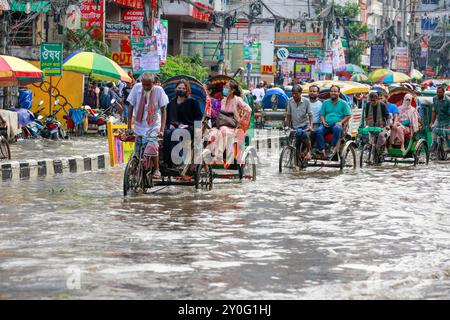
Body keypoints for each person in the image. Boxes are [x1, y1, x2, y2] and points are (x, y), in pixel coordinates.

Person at [127, 72, 169, 179]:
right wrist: (128, 127)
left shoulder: (159, 90)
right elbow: (131, 106)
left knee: (152, 145)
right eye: (144, 84)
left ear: (153, 83)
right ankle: (135, 167)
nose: (146, 87)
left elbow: (164, 111)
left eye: (148, 85)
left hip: (153, 125)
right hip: (139, 124)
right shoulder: (136, 88)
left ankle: (156, 169)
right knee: (138, 150)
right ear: (141, 83)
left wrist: (161, 130)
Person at [208, 80, 252, 163]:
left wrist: (241, 121)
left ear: (232, 90)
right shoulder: (223, 100)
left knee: (223, 130)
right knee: (212, 133)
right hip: (221, 125)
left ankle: (219, 156)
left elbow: (249, 110)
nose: (224, 89)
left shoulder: (237, 100)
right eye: (224, 87)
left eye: (226, 87)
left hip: (233, 126)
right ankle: (210, 156)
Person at [164, 79, 203, 168]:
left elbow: (198, 118)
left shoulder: (192, 102)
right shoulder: (171, 103)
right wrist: (170, 124)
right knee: (167, 133)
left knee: (177, 133)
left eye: (183, 88)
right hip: (174, 127)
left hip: (189, 128)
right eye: (179, 88)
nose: (181, 90)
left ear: (187, 90)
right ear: (176, 89)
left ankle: (179, 161)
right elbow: (168, 118)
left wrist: (192, 127)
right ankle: (167, 161)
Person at [315, 85, 352, 159]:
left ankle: (332, 148)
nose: (333, 93)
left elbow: (348, 115)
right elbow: (322, 114)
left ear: (338, 93)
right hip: (327, 124)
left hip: (337, 124)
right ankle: (322, 150)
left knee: (337, 128)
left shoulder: (343, 103)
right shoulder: (325, 103)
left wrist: (341, 122)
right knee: (318, 130)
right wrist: (323, 121)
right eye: (332, 91)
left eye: (335, 91)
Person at [286, 85, 313, 160]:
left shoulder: (306, 101)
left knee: (305, 137)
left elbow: (310, 115)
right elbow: (288, 114)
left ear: (300, 93)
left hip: (304, 125)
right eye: (293, 93)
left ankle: (309, 152)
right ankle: (295, 159)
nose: (294, 95)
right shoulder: (290, 101)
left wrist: (310, 126)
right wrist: (287, 126)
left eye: (296, 94)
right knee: (292, 141)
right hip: (294, 125)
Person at [430, 85, 450, 153]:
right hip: (438, 119)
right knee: (434, 131)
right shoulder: (434, 98)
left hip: (447, 120)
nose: (438, 94)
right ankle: (434, 144)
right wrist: (432, 122)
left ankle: (448, 148)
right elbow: (433, 111)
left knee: (447, 134)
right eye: (437, 92)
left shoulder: (448, 101)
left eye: (440, 92)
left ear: (444, 92)